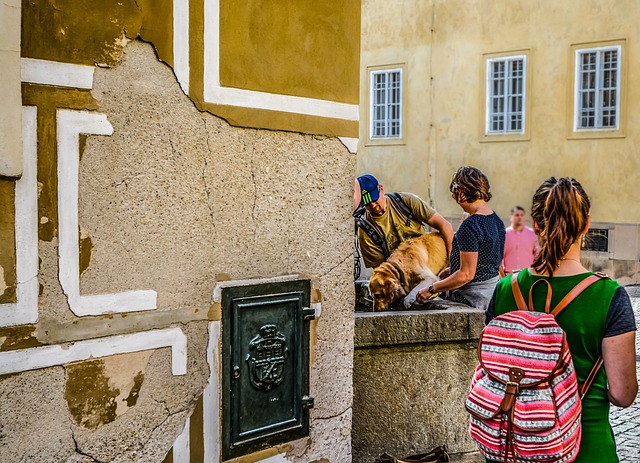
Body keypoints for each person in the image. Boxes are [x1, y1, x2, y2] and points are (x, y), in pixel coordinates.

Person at [486, 177, 637, 463]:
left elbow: (494, 372)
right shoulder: (609, 296)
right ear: (586, 224)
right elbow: (622, 394)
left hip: (511, 447)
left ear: (536, 223)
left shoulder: (505, 289)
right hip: (584, 448)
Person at [415, 166, 505, 312]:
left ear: (462, 192)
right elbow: (487, 262)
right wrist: (454, 269)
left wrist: (431, 289)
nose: (453, 197)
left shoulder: (470, 225)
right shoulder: (496, 220)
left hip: (474, 300)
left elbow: (466, 275)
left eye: (455, 192)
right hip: (493, 297)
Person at [353, 174, 453, 269]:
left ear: (381, 189)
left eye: (375, 200)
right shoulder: (366, 230)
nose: (373, 206)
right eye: (367, 204)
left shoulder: (406, 202)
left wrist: (452, 260)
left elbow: (445, 226)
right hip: (403, 273)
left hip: (429, 260)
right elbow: (380, 269)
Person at [500, 206, 539, 276]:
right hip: (508, 276)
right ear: (511, 217)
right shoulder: (504, 234)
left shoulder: (532, 234)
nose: (519, 217)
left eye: (522, 215)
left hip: (527, 275)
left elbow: (537, 255)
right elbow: (500, 257)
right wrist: (503, 275)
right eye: (517, 215)